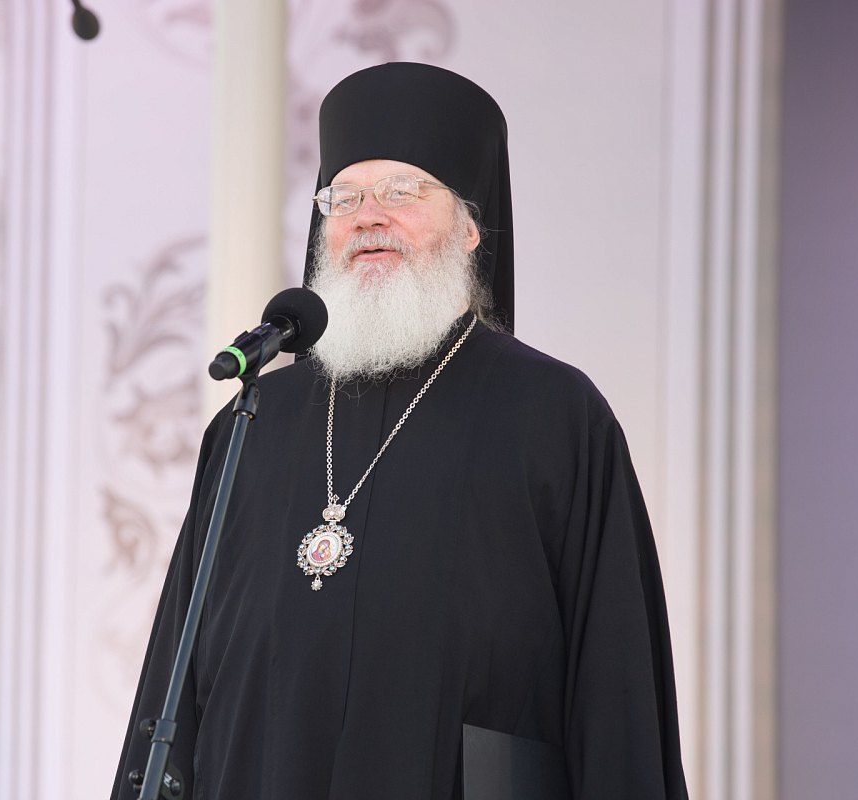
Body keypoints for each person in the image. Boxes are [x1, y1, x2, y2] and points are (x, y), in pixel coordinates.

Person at [112, 62, 688, 800]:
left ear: (472, 227)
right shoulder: (252, 421)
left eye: (402, 191)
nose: (367, 217)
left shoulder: (556, 416)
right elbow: (175, 683)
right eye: (344, 198)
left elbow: (616, 695)